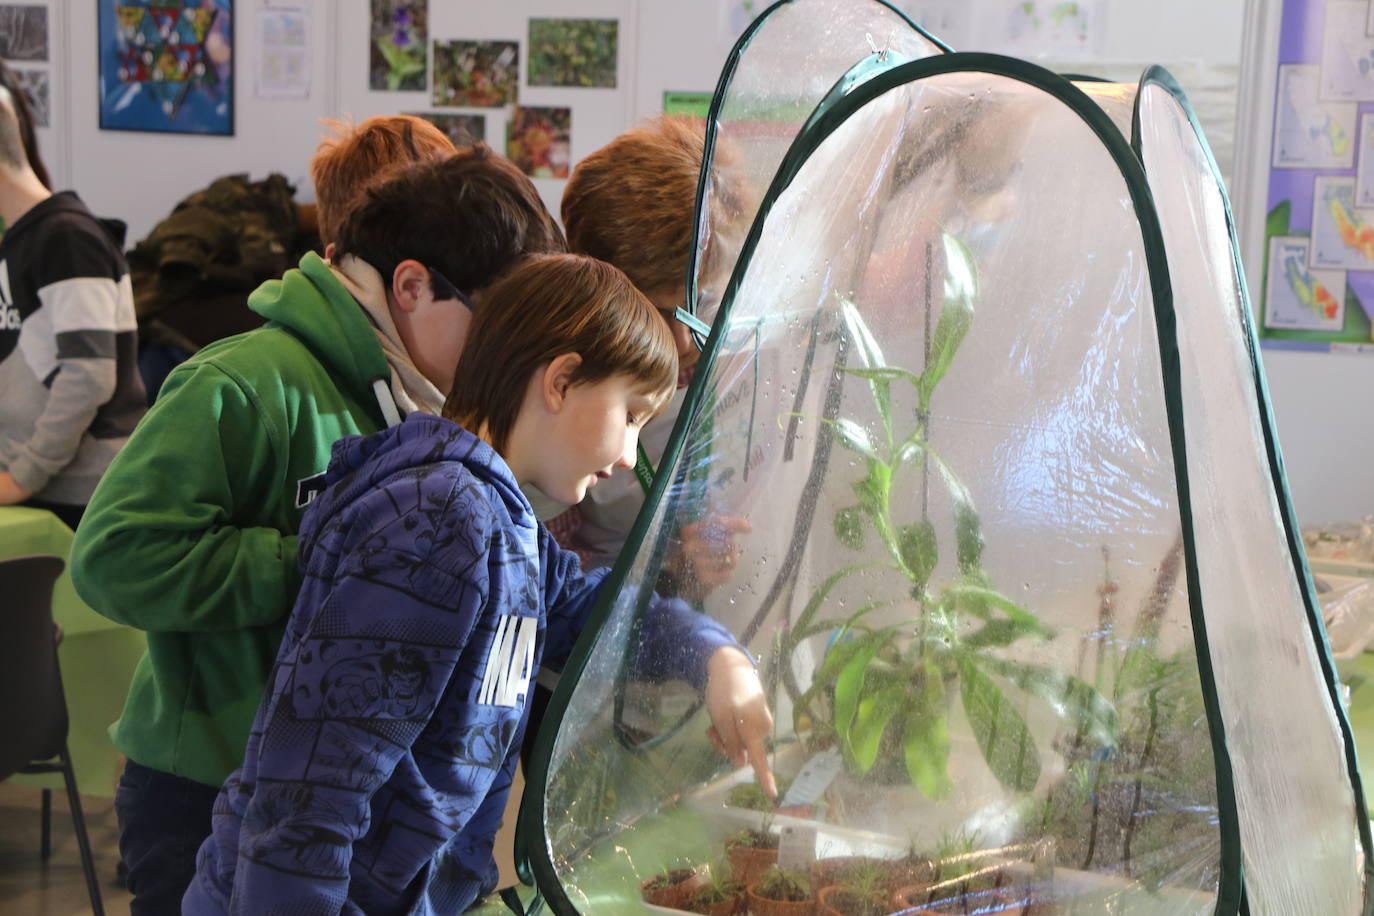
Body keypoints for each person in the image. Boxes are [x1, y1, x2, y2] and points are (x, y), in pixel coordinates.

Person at [184, 252, 774, 914]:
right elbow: (313, 790)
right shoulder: (439, 521)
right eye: (630, 414)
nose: (628, 456)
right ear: (562, 380)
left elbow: (585, 611)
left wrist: (712, 653)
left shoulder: (503, 521)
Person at [70, 146, 565, 916]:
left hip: (333, 817)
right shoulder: (242, 382)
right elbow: (112, 558)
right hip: (206, 793)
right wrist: (334, 563)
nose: (513, 353)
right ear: (411, 284)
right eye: (500, 321)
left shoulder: (428, 403)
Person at [0, 61, 145, 530]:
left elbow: (88, 375)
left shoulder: (66, 238)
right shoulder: (21, 241)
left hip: (74, 496)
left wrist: (21, 478)